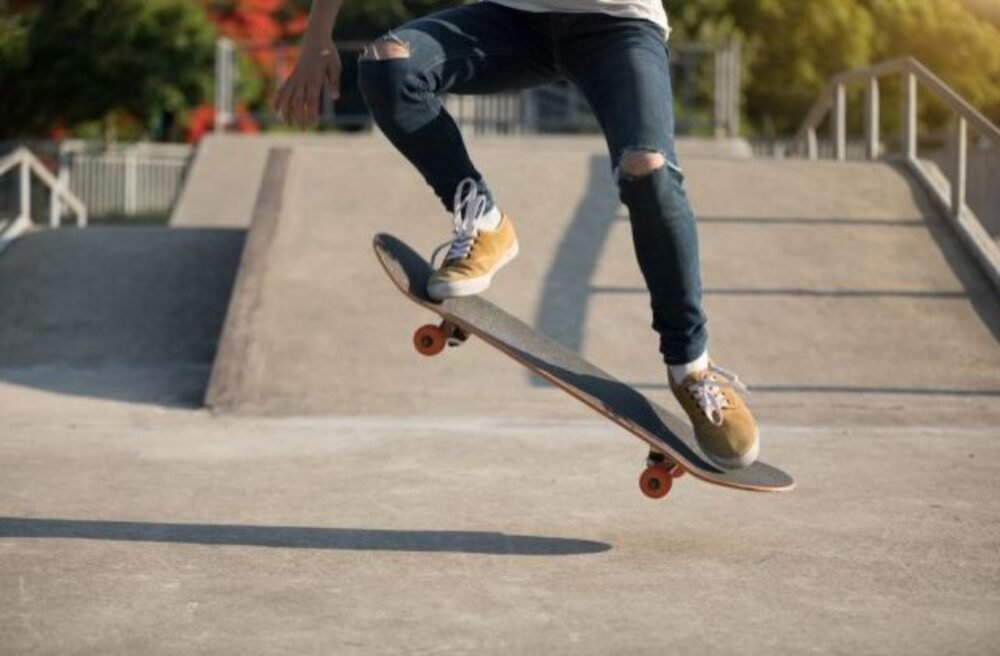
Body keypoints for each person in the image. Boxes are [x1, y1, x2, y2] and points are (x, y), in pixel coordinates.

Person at [275, 0, 759, 469]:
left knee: (648, 170)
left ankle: (692, 368)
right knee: (388, 64)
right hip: (512, 20)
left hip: (619, 28)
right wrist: (318, 35)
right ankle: (484, 220)